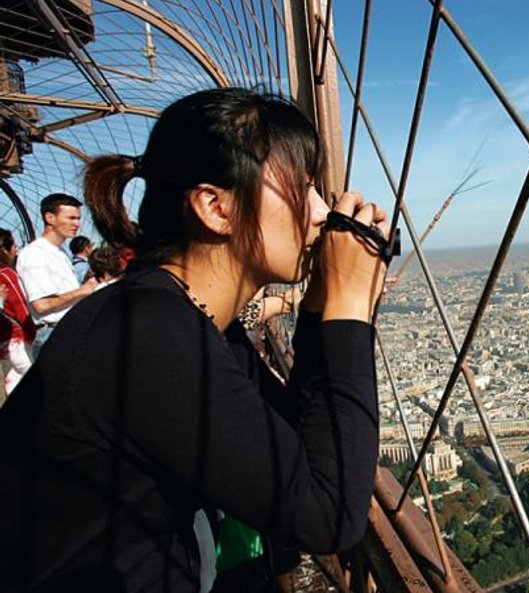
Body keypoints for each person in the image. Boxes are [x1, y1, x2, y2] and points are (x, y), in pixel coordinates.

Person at [0, 88, 389, 593]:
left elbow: (288, 439)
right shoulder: (149, 335)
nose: (320, 211)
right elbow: (327, 515)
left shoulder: (171, 317)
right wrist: (350, 306)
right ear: (215, 207)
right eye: (303, 187)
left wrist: (318, 305)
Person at [16, 193, 98, 354]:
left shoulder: (60, 253)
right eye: (71, 218)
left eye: (78, 218)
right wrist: (82, 291)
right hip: (53, 334)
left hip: (67, 330)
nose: (77, 224)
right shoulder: (35, 254)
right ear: (50, 218)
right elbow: (41, 305)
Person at [0, 229, 37, 401]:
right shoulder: (7, 274)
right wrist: (31, 331)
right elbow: (19, 305)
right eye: (14, 245)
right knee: (33, 386)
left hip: (4, 342)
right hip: (18, 338)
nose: (16, 249)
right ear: (5, 250)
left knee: (13, 384)